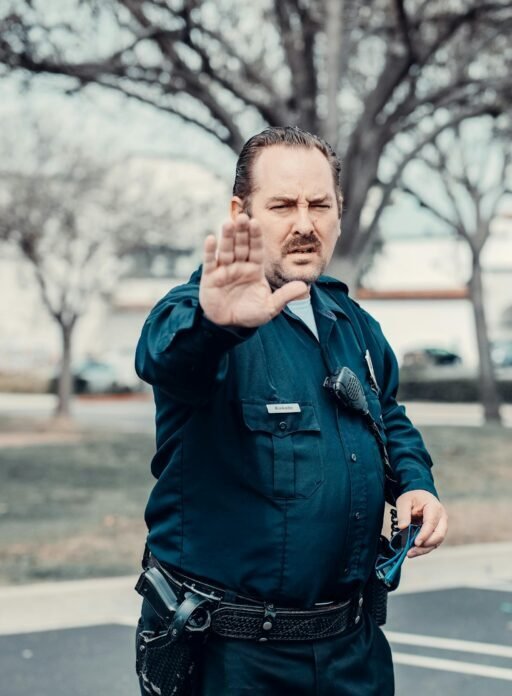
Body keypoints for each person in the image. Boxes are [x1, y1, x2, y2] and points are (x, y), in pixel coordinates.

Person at [134, 126, 448, 695]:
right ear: (241, 212)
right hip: (231, 658)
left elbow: (388, 415)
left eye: (319, 205)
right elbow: (165, 357)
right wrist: (215, 325)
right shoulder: (203, 310)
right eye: (282, 205)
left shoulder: (353, 324)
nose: (305, 223)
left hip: (353, 649)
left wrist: (414, 484)